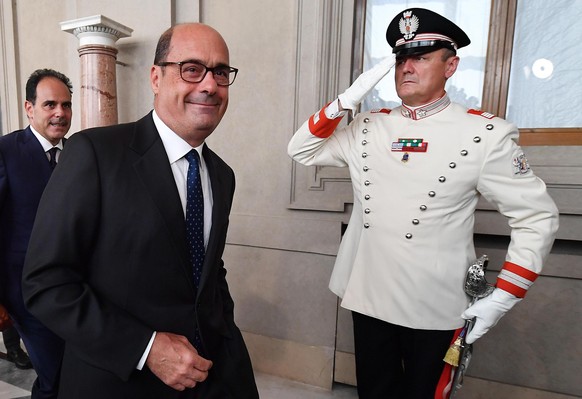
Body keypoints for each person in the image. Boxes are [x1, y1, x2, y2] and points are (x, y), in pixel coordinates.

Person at [288, 8, 559, 399]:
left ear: (451, 66)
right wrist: (346, 100)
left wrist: (503, 296)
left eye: (421, 57)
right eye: (401, 59)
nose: (407, 68)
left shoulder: (484, 134)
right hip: (369, 292)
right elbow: (301, 150)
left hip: (436, 301)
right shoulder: (368, 126)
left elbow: (537, 217)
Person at [22, 23, 258, 399]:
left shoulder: (222, 175)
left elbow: (208, 272)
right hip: (118, 382)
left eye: (220, 72)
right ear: (156, 77)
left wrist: (226, 342)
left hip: (210, 377)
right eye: (192, 69)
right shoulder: (94, 154)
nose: (210, 85)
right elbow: (46, 283)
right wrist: (146, 348)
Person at [0, 68, 71, 398]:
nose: (60, 113)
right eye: (50, 104)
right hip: (25, 294)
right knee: (55, 375)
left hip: (75, 291)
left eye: (66, 105)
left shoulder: (79, 153)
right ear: (29, 108)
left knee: (71, 373)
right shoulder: (6, 151)